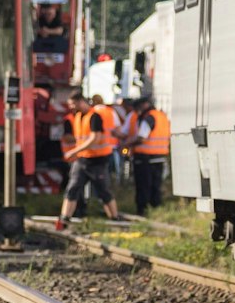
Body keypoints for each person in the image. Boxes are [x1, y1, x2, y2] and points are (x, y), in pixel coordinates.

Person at [56, 91, 120, 229]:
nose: (71, 108)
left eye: (73, 104)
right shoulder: (78, 117)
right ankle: (64, 219)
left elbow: (94, 138)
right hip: (82, 160)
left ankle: (115, 218)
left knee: (104, 191)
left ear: (80, 101)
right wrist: (78, 152)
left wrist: (74, 151)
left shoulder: (94, 117)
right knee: (72, 188)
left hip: (97, 160)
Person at [124, 97, 170, 215]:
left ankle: (143, 210)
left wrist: (128, 144)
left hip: (145, 159)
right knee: (156, 186)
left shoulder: (148, 118)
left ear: (144, 105)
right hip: (159, 157)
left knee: (143, 186)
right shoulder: (162, 116)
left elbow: (142, 138)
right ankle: (156, 210)